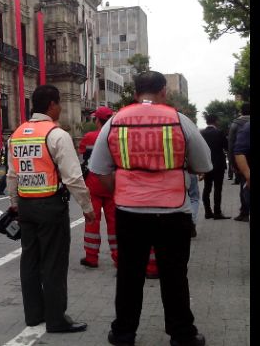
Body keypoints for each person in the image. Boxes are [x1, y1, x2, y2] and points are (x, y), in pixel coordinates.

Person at [88, 71, 212, 346]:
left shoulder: (115, 122)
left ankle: (123, 333)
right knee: (175, 275)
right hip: (173, 212)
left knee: (130, 275)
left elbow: (99, 169)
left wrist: (121, 191)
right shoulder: (179, 120)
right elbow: (203, 164)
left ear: (134, 93)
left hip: (129, 211)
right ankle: (182, 334)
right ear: (164, 91)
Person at [7, 84, 96, 334]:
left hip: (26, 205)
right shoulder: (56, 135)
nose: (61, 108)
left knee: (30, 261)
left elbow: (12, 174)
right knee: (54, 263)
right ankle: (57, 319)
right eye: (59, 104)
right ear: (52, 105)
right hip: (50, 205)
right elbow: (73, 178)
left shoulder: (17, 134)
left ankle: (33, 315)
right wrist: (87, 208)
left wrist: (14, 203)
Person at [78, 106, 117, 268]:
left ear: (97, 120)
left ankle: (92, 257)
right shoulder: (116, 136)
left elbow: (82, 158)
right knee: (114, 222)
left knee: (92, 221)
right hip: (113, 184)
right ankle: (118, 257)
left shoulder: (89, 137)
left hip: (93, 185)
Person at [200, 114, 230, 220]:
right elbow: (226, 147)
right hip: (218, 165)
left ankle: (208, 212)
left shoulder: (201, 133)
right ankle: (217, 212)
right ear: (215, 121)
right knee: (218, 189)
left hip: (206, 164)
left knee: (207, 188)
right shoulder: (219, 132)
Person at [228, 103, 250, 221]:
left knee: (244, 185)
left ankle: (244, 212)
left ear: (241, 111)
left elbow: (231, 145)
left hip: (242, 161)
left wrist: (232, 163)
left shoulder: (235, 124)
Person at [233, 122, 250, 224]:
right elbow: (239, 152)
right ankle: (244, 212)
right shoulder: (247, 128)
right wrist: (248, 176)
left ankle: (243, 213)